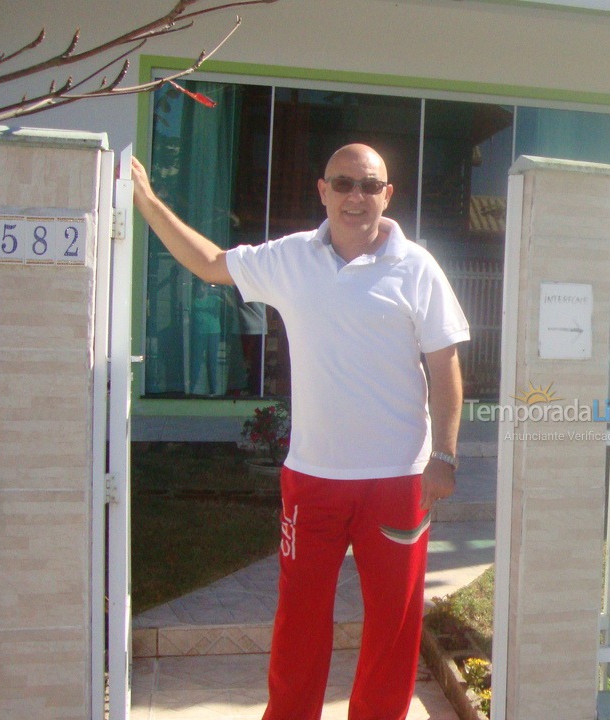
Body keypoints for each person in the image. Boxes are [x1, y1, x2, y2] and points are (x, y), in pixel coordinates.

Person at [130, 143, 469, 720]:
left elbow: (445, 365)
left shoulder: (417, 267)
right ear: (323, 191)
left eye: (369, 185)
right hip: (312, 478)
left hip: (398, 479)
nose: (356, 196)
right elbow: (210, 263)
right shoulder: (290, 258)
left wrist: (445, 456)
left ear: (387, 195)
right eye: (344, 184)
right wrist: (146, 199)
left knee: (393, 622)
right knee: (300, 618)